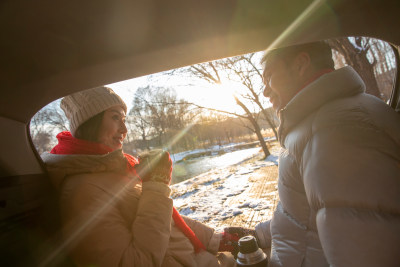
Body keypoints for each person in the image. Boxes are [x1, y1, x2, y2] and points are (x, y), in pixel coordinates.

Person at [223, 41, 400, 266]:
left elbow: (365, 251)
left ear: (301, 64)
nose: (265, 90)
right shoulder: (323, 123)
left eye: (268, 77)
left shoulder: (333, 131)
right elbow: (305, 216)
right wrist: (259, 235)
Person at [41, 86, 236, 267]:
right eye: (115, 117)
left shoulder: (114, 169)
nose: (124, 130)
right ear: (90, 122)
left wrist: (216, 239)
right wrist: (156, 187)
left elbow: (164, 223)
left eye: (124, 119)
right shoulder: (82, 192)